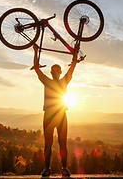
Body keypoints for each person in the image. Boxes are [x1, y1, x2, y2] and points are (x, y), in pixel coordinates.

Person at [33, 44, 78, 177]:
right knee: (48, 144)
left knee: (62, 144)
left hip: (58, 115)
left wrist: (75, 57)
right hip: (52, 116)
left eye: (57, 70)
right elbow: (36, 68)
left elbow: (73, 68)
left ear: (58, 72)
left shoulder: (55, 81)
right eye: (54, 70)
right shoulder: (55, 81)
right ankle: (47, 169)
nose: (56, 72)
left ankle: (63, 168)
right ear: (52, 73)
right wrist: (35, 52)